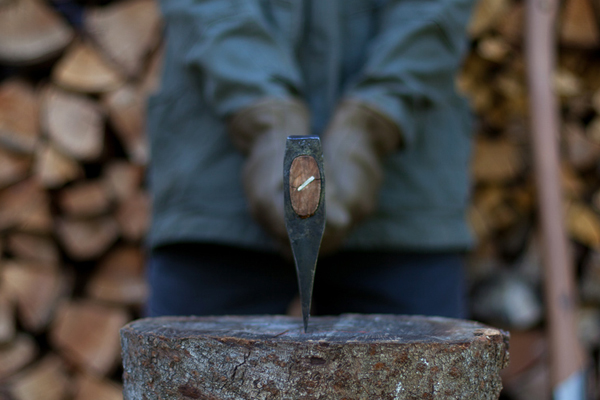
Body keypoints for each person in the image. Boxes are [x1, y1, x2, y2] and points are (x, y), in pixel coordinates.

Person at [146, 0, 476, 319]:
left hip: (404, 200)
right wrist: (263, 116)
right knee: (189, 371)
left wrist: (374, 121)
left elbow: (434, 8)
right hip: (218, 192)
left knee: (428, 371)